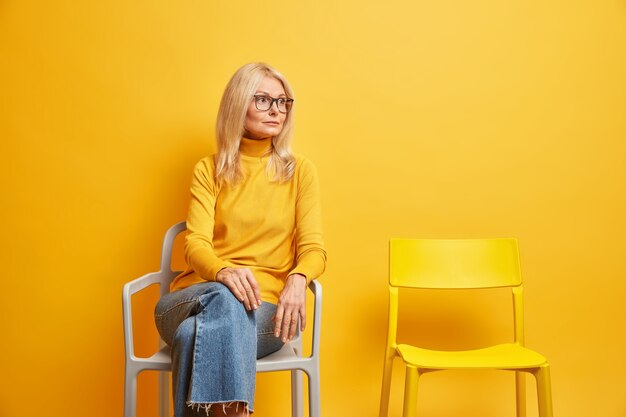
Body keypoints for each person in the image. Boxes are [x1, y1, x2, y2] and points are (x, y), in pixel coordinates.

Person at [154, 62, 327, 417]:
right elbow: (195, 244)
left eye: (283, 102)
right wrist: (223, 273)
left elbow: (313, 249)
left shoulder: (301, 172)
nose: (276, 109)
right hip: (194, 298)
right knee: (225, 297)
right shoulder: (209, 169)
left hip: (265, 313)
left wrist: (298, 277)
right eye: (263, 100)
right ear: (238, 104)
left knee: (193, 335)